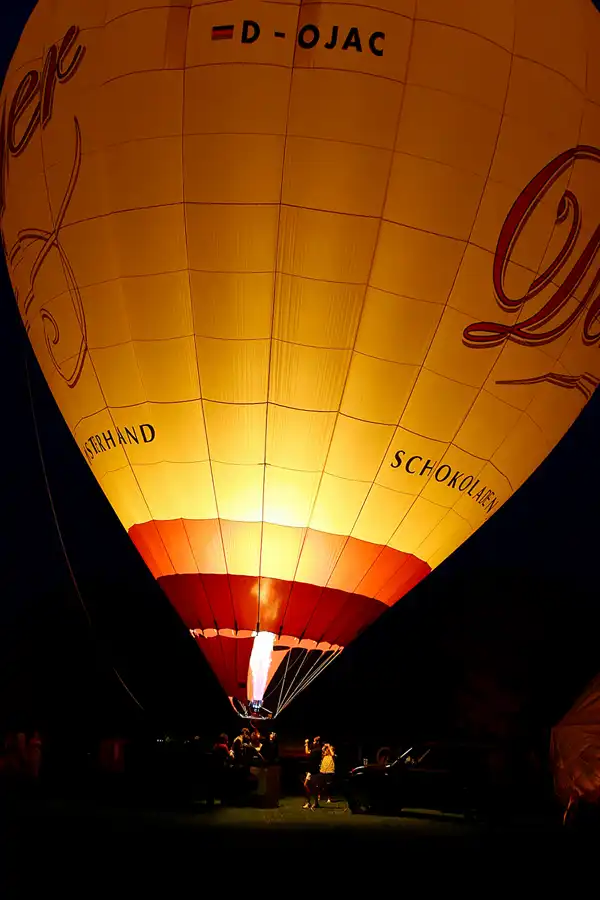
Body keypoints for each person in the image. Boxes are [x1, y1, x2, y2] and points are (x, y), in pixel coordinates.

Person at [303, 736, 322, 809]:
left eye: (314, 741)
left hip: (315, 771)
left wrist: (306, 743)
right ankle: (309, 802)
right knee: (306, 785)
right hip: (311, 770)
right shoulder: (315, 749)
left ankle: (315, 803)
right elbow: (307, 752)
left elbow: (307, 752)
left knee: (314, 787)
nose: (313, 743)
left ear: (317, 742)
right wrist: (306, 744)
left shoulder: (318, 750)